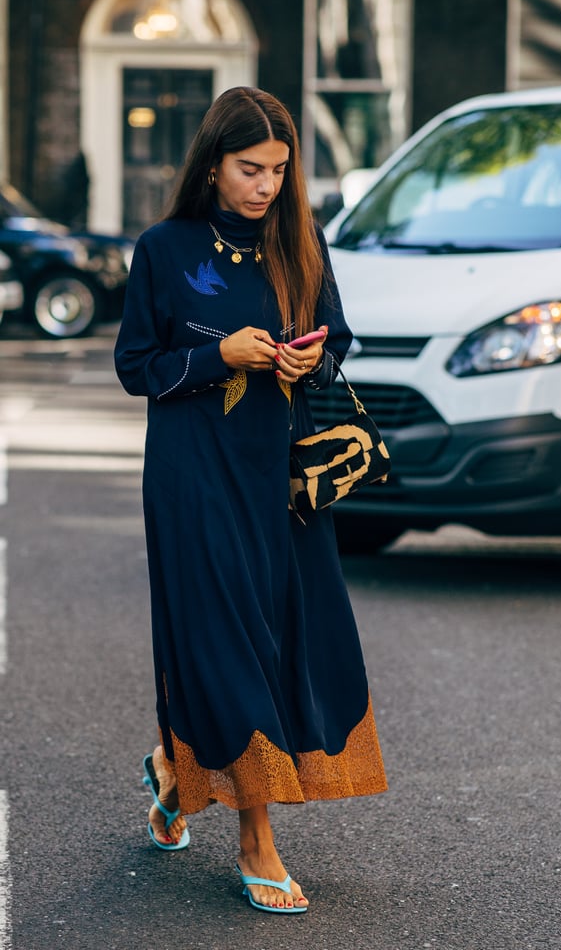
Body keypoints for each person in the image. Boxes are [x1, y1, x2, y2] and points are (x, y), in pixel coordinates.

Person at [114, 86, 387, 915]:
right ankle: (255, 840)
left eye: (277, 169)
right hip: (193, 477)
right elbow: (137, 367)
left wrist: (313, 360)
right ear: (212, 164)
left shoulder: (300, 239)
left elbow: (336, 335)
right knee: (224, 640)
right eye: (248, 169)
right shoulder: (165, 248)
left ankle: (174, 777)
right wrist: (219, 357)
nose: (265, 185)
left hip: (283, 480)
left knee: (281, 637)